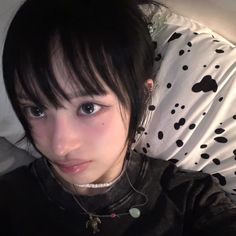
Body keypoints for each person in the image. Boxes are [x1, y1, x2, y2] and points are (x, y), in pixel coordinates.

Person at [1, 0, 236, 235]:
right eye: (37, 110)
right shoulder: (10, 201)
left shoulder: (189, 199)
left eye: (89, 107)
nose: (60, 145)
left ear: (142, 97)